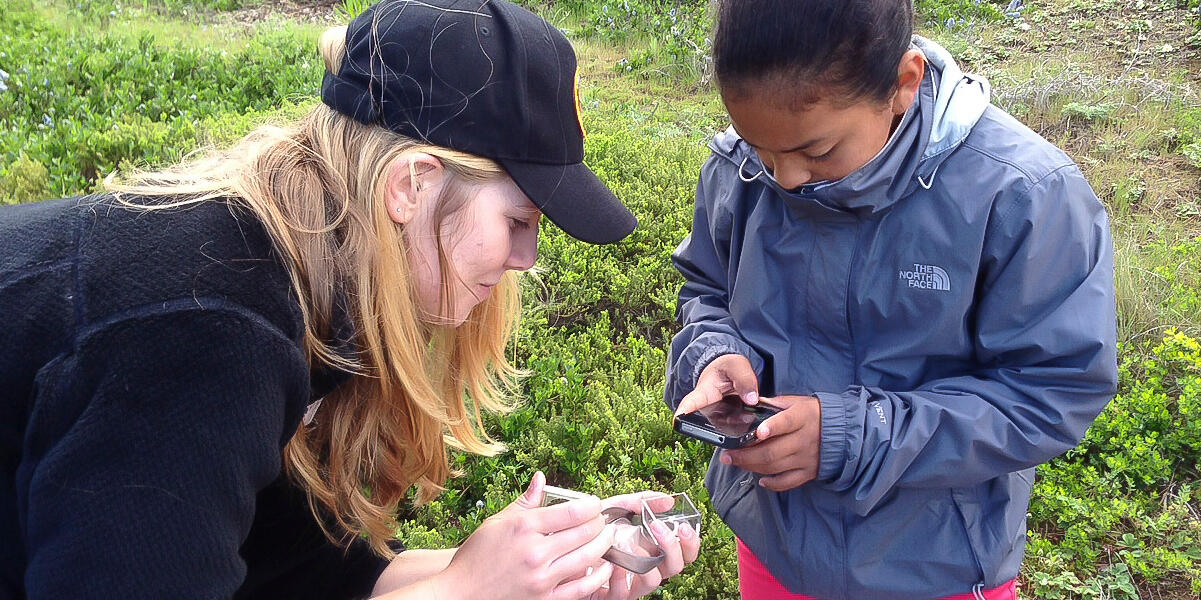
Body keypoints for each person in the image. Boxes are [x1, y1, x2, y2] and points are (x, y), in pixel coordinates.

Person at [0, 0, 698, 598]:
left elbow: (296, 574)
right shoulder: (206, 331)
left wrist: (531, 566)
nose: (527, 258)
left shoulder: (303, 282)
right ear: (411, 185)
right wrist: (459, 592)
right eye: (517, 221)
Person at [664, 0, 1117, 598]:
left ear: (904, 83)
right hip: (774, 549)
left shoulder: (1023, 195)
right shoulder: (738, 167)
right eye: (761, 148)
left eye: (818, 152)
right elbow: (706, 290)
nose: (786, 178)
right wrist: (712, 353)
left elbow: (1053, 388)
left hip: (934, 570)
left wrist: (855, 435)